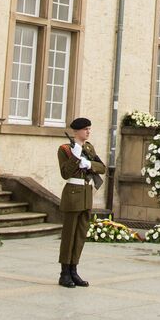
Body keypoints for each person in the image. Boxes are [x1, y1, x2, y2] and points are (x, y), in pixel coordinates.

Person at [57, 117, 106, 287]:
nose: (88, 132)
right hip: (73, 194)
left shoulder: (89, 148)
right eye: (85, 129)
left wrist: (88, 164)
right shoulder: (65, 149)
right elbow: (65, 173)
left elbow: (102, 167)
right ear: (76, 131)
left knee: (79, 236)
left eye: (89, 129)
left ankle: (74, 270)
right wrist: (76, 157)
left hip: (86, 194)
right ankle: (64, 273)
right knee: (69, 235)